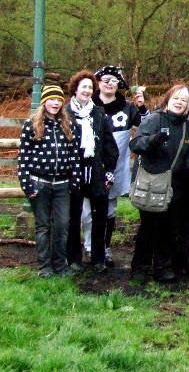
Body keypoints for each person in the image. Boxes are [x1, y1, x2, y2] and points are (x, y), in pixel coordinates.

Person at [130, 84, 189, 282]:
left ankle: (163, 267)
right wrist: (152, 140)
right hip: (152, 182)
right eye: (176, 98)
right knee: (148, 228)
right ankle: (140, 267)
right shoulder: (154, 119)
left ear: (187, 106)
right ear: (168, 100)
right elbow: (135, 144)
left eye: (184, 100)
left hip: (176, 185)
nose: (179, 103)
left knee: (170, 227)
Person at [17, 85, 82, 277]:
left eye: (58, 99)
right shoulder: (31, 125)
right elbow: (23, 158)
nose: (55, 103)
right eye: (51, 99)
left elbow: (75, 156)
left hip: (62, 184)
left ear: (62, 102)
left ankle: (60, 265)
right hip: (39, 182)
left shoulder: (69, 125)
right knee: (43, 226)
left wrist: (75, 181)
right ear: (44, 101)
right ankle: (44, 267)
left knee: (62, 225)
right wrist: (27, 185)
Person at [89, 65, 149, 268]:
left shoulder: (127, 107)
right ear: (98, 83)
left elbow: (147, 125)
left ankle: (104, 247)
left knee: (109, 210)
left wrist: (141, 106)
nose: (108, 84)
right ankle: (90, 246)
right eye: (105, 80)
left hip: (115, 166)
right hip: (90, 165)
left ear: (119, 85)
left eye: (113, 81)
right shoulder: (88, 105)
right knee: (87, 211)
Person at [65, 70, 119, 274]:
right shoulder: (66, 113)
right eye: (83, 87)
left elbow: (109, 145)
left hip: (95, 170)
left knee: (100, 215)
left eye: (90, 87)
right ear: (75, 89)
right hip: (74, 170)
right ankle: (74, 258)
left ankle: (98, 258)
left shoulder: (99, 114)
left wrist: (109, 172)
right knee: (74, 215)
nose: (87, 91)